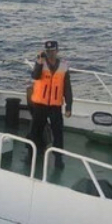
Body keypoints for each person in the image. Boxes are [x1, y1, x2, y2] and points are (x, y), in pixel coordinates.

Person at [29, 40, 73, 169]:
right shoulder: (40, 64)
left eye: (52, 51)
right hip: (40, 105)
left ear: (57, 51)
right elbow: (35, 76)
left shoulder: (63, 67)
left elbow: (67, 88)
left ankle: (58, 158)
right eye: (48, 51)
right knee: (35, 131)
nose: (50, 53)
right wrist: (39, 63)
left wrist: (69, 106)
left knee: (58, 133)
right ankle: (32, 154)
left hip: (55, 106)